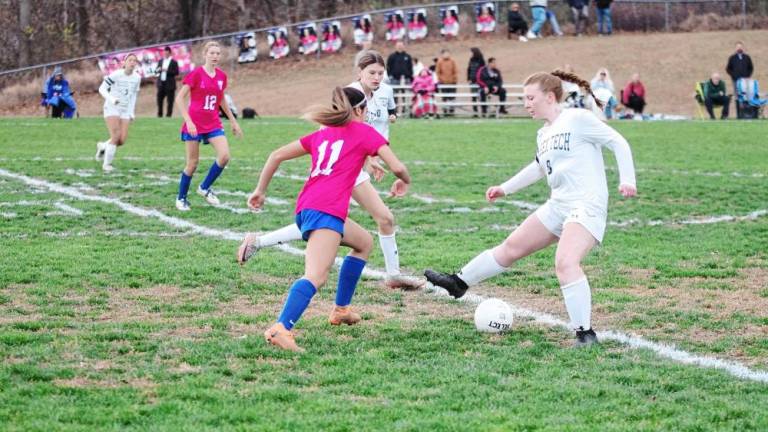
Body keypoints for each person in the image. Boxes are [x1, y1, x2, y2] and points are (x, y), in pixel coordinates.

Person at [425, 70, 637, 346]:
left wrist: (627, 180)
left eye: (530, 98)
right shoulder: (544, 132)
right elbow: (538, 167)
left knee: (566, 262)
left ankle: (585, 334)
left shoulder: (577, 119)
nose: (526, 103)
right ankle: (458, 282)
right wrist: (505, 188)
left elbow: (618, 142)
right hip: (559, 204)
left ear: (549, 97)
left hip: (586, 204)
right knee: (510, 248)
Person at [244, 87, 411, 352]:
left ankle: (341, 310)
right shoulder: (366, 132)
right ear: (358, 110)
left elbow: (275, 155)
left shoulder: (323, 133)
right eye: (366, 110)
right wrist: (404, 180)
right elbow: (398, 167)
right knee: (316, 276)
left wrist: (260, 190)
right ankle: (280, 328)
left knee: (364, 242)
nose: (367, 115)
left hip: (308, 206)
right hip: (326, 210)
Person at [238, 50, 421, 289]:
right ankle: (392, 275)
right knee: (346, 219)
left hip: (357, 163)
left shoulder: (383, 92)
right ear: (360, 73)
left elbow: (360, 137)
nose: (376, 77)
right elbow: (337, 137)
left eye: (380, 73)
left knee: (370, 219)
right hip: (342, 169)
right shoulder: (350, 95)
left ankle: (392, 274)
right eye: (371, 73)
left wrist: (370, 158)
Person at [175, 41, 242, 211]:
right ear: (205, 54)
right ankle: (181, 198)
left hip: (213, 123)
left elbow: (221, 100)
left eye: (218, 54)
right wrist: (188, 121)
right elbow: (179, 98)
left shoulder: (221, 77)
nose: (215, 56)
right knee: (192, 164)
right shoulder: (196, 74)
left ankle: (204, 188)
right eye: (212, 53)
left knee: (225, 156)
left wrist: (233, 121)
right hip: (194, 124)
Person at [95, 53, 141, 172]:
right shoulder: (116, 75)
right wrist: (112, 99)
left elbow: (134, 95)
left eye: (134, 61)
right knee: (115, 136)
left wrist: (131, 112)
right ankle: (107, 165)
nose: (132, 62)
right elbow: (102, 89)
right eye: (130, 60)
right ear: (124, 63)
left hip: (125, 110)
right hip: (112, 108)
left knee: (121, 140)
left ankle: (103, 146)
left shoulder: (137, 78)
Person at [726, 41, 754, 118]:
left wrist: (748, 76)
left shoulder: (747, 57)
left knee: (746, 96)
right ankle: (739, 115)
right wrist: (734, 76)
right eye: (738, 46)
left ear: (743, 47)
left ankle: (747, 114)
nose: (739, 48)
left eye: (740, 46)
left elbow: (751, 68)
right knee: (738, 97)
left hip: (746, 81)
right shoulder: (732, 58)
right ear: (735, 48)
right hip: (736, 81)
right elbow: (728, 69)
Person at [386, 41, 413, 114]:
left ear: (404, 46)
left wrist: (410, 77)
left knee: (406, 96)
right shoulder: (392, 56)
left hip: (406, 79)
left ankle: (406, 111)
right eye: (398, 45)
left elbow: (410, 68)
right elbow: (388, 67)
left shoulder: (408, 56)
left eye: (401, 45)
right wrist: (390, 76)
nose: (400, 47)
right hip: (395, 79)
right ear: (395, 46)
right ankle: (394, 111)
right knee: (394, 96)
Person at [156, 47, 179, 117]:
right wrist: (159, 70)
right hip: (161, 83)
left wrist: (167, 71)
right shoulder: (160, 61)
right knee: (159, 99)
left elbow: (176, 72)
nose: (165, 54)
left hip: (170, 84)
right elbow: (156, 70)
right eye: (164, 52)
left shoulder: (174, 62)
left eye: (167, 52)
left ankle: (168, 115)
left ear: (169, 53)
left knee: (170, 101)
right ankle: (160, 114)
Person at [436, 49, 458, 116]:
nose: (446, 55)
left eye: (448, 53)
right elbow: (438, 72)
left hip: (452, 82)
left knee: (452, 97)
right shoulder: (440, 62)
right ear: (442, 54)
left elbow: (455, 71)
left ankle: (451, 111)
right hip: (443, 83)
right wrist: (441, 79)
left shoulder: (452, 61)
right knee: (444, 97)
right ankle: (445, 111)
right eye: (445, 53)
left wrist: (454, 79)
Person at [467, 47, 486, 117]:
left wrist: (481, 79)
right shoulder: (471, 60)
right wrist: (468, 78)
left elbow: (483, 70)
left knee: (481, 96)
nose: (470, 54)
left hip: (480, 81)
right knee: (473, 97)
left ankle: (483, 111)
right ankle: (475, 112)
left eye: (471, 52)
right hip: (472, 81)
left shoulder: (481, 60)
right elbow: (469, 69)